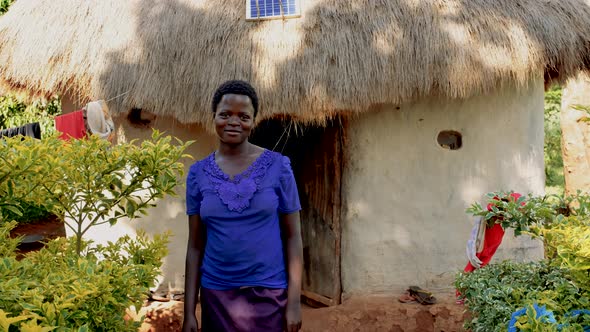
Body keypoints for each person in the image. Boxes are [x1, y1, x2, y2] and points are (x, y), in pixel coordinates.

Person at [182, 80, 303, 332]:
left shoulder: (278, 168)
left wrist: (293, 303)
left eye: (243, 116)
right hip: (217, 295)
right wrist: (189, 312)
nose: (234, 122)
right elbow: (195, 246)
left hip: (269, 294)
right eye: (225, 114)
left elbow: (293, 238)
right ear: (213, 117)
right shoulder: (198, 174)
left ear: (253, 121)